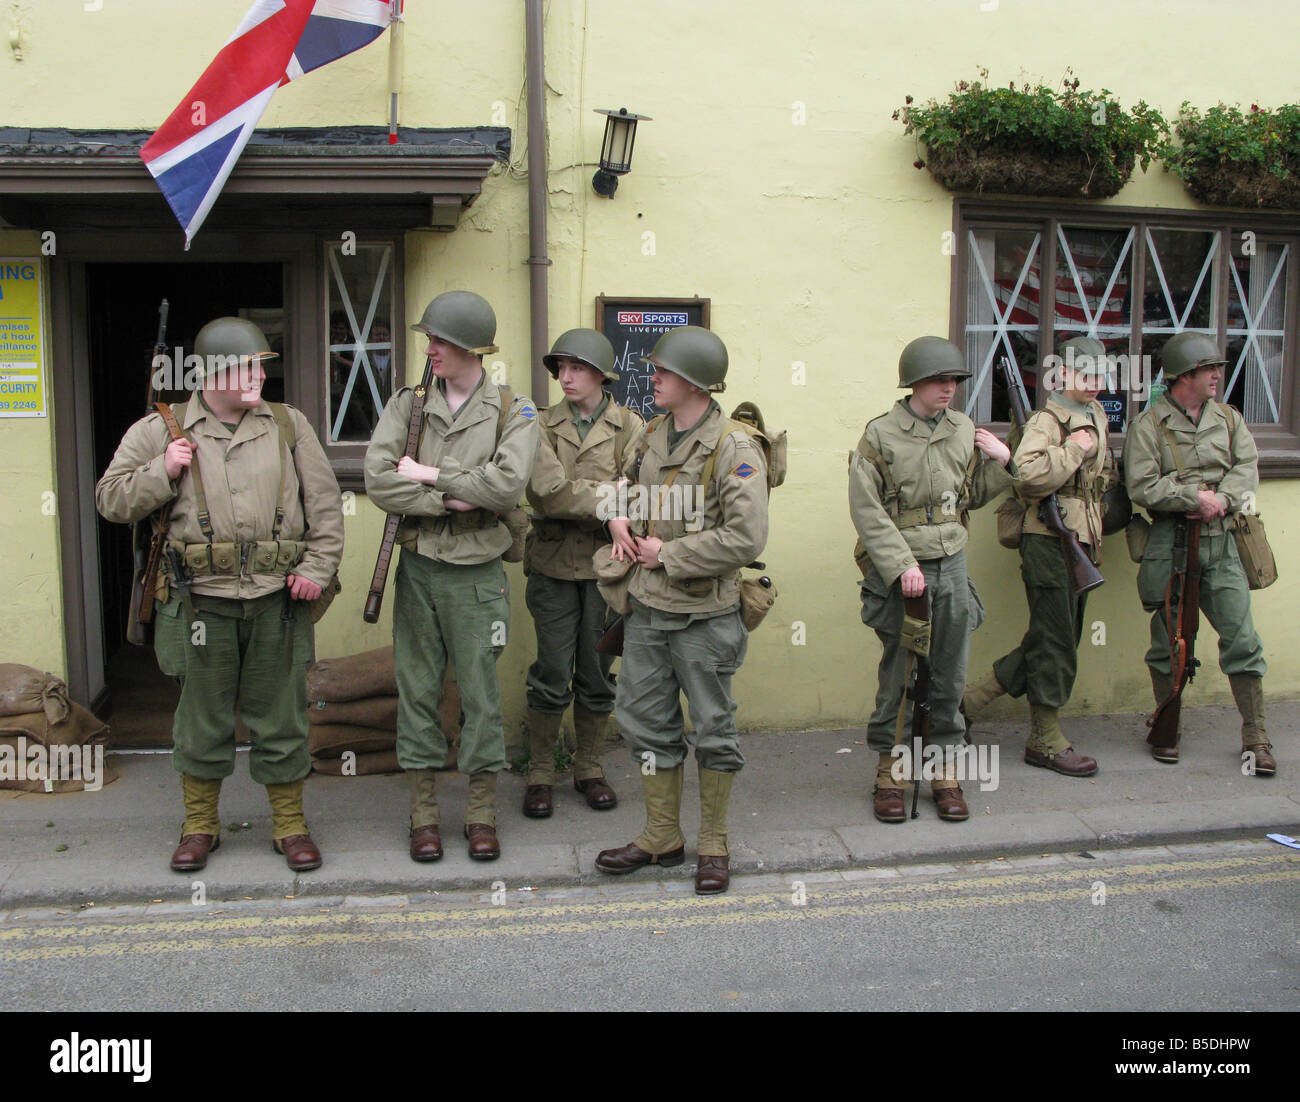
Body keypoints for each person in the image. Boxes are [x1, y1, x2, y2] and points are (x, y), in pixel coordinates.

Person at [96, 317, 344, 872]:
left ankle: (289, 824)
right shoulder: (159, 429)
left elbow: (325, 507)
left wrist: (318, 567)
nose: (257, 375)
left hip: (277, 598)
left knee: (282, 716)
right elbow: (110, 500)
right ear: (210, 374)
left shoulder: (288, 424)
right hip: (197, 600)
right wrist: (161, 471)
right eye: (244, 366)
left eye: (261, 364)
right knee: (201, 720)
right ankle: (200, 824)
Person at [364, 291, 539, 862]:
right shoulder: (407, 406)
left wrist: (432, 474)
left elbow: (506, 487)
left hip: (478, 574)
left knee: (481, 694)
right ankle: (423, 815)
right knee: (417, 690)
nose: (430, 349)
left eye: (440, 340)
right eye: (429, 339)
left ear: (471, 348)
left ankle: (482, 813)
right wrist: (454, 497)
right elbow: (379, 481)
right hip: (418, 569)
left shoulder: (516, 411)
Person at [594, 326, 769, 895]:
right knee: (644, 722)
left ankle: (713, 842)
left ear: (694, 383)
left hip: (704, 616)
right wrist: (617, 517)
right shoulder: (649, 435)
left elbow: (746, 537)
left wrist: (670, 553)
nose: (653, 379)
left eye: (663, 373)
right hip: (645, 610)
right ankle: (661, 835)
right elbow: (619, 485)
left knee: (714, 728)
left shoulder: (734, 448)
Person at [848, 335, 1012, 824]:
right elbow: (867, 508)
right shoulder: (880, 434)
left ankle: (944, 770)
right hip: (904, 569)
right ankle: (890, 773)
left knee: (948, 672)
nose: (949, 389)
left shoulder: (963, 429)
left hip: (952, 562)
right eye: (940, 380)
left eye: (955, 381)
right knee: (898, 675)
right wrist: (901, 565)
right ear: (914, 382)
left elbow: (971, 496)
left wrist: (1005, 462)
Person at [1122, 331, 1273, 774]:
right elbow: (1142, 485)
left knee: (1242, 640)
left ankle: (1257, 736)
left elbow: (1247, 467)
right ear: (1184, 375)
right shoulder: (1147, 427)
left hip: (1223, 543)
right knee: (1166, 643)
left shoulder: (1228, 419)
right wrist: (1194, 499)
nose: (1217, 376)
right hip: (1171, 546)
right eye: (1209, 369)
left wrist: (1222, 500)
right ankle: (1168, 724)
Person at [963, 337, 1114, 776]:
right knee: (1055, 641)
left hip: (1082, 540)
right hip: (1048, 539)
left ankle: (967, 703)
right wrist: (1074, 449)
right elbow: (1026, 477)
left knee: (1057, 635)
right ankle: (1044, 738)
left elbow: (1101, 478)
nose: (1096, 383)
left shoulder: (1096, 415)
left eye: (1101, 375)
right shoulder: (1047, 421)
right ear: (1063, 375)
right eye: (1086, 374)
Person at [522, 328, 643, 819]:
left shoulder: (632, 426)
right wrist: (607, 498)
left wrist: (613, 498)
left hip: (607, 567)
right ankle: (539, 772)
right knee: (551, 671)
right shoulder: (538, 423)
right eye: (560, 369)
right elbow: (546, 491)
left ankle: (589, 767)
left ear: (600, 374)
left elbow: (638, 491)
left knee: (596, 673)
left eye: (575, 369)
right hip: (552, 563)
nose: (565, 378)